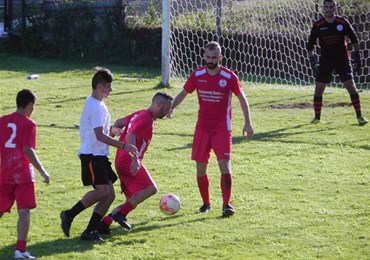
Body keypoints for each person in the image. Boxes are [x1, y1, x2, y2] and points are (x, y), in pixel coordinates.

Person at [168, 41, 254, 218]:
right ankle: (206, 203)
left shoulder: (229, 77)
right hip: (202, 128)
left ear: (220, 57)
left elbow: (242, 98)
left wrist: (248, 122)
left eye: (214, 57)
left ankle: (226, 205)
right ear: (204, 56)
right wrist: (172, 107)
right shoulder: (197, 74)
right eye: (208, 57)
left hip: (222, 128)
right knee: (201, 167)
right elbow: (183, 93)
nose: (210, 60)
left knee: (225, 166)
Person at [60, 67, 138, 242]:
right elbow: (99, 135)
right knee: (103, 191)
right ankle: (69, 214)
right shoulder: (96, 107)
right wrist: (123, 145)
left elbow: (102, 132)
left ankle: (89, 231)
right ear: (99, 86)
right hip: (92, 156)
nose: (111, 90)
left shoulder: (98, 104)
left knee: (109, 195)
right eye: (109, 86)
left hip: (100, 155)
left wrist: (112, 130)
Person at [97, 92, 173, 234]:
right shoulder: (146, 119)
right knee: (151, 189)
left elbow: (120, 122)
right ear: (158, 105)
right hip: (127, 160)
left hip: (122, 159)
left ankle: (105, 223)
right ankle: (120, 214)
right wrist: (134, 160)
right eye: (167, 108)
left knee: (133, 199)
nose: (169, 111)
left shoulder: (141, 113)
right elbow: (131, 135)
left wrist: (113, 133)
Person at [0, 89, 51, 259]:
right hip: (22, 174)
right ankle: (20, 250)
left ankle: (20, 250)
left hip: (5, 172)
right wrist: (43, 171)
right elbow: (28, 149)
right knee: (24, 211)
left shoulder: (2, 120)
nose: (33, 109)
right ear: (29, 105)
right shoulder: (29, 124)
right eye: (34, 105)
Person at [307, 0, 368, 126]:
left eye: (331, 6)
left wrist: (358, 57)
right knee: (318, 90)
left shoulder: (342, 22)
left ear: (335, 8)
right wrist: (313, 61)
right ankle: (317, 118)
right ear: (323, 8)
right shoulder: (318, 25)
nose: (328, 9)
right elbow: (310, 45)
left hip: (342, 60)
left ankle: (360, 116)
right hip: (325, 61)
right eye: (326, 7)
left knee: (351, 87)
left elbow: (354, 39)